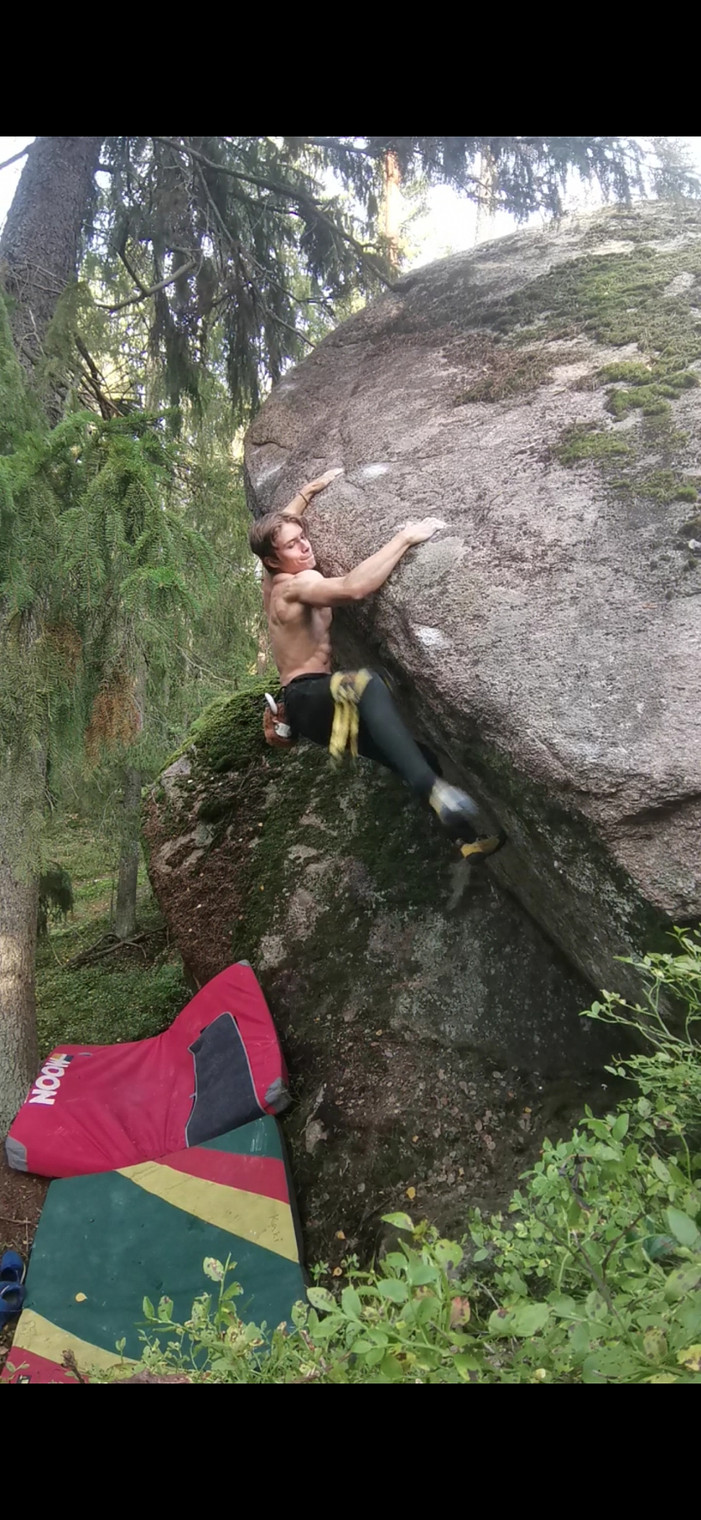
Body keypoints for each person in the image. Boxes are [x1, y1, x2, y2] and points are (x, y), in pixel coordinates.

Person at [250, 469, 503, 850]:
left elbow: (278, 531)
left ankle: (466, 842)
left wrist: (308, 491)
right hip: (309, 696)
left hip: (311, 712)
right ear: (274, 559)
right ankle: (429, 786)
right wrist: (405, 538)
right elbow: (354, 588)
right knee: (366, 683)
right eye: (293, 545)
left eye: (303, 537)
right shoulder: (297, 584)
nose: (304, 547)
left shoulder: (271, 581)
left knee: (416, 755)